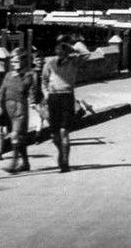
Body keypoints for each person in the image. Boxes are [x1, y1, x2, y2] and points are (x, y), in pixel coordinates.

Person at [41, 39, 83, 173]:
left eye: (63, 53)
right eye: (58, 53)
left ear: (67, 53)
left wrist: (73, 48)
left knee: (64, 131)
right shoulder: (50, 63)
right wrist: (46, 93)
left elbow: (86, 53)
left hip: (67, 96)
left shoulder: (73, 62)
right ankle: (61, 152)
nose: (60, 56)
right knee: (54, 135)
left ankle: (65, 161)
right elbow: (44, 80)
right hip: (53, 97)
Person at [0, 51, 39, 173]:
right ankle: (26, 163)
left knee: (15, 135)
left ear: (23, 61)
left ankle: (13, 164)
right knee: (19, 138)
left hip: (20, 108)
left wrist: (32, 101)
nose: (13, 63)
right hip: (7, 108)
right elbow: (1, 92)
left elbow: (31, 90)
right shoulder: (8, 75)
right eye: (12, 61)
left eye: (16, 61)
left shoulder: (28, 76)